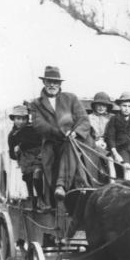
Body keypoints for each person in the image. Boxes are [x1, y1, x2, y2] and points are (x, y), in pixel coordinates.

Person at [27, 66, 95, 203]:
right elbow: (39, 125)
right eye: (49, 81)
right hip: (53, 143)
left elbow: (83, 119)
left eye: (55, 82)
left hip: (78, 140)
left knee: (73, 145)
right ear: (44, 82)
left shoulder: (70, 98)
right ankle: (65, 185)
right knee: (67, 146)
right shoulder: (36, 104)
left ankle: (63, 185)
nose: (52, 85)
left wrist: (75, 133)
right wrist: (62, 133)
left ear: (60, 84)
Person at [7, 105, 48, 211]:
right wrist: (17, 151)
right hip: (25, 158)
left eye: (24, 119)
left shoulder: (33, 129)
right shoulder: (12, 135)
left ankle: (41, 198)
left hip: (38, 155)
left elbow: (41, 141)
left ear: (27, 119)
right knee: (33, 172)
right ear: (14, 119)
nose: (21, 121)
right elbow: (11, 154)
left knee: (40, 170)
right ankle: (36, 199)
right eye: (18, 119)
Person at [104, 92, 130, 182]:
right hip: (122, 148)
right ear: (120, 106)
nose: (126, 109)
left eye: (129, 106)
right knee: (127, 170)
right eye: (124, 105)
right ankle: (128, 193)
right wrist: (115, 153)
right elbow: (110, 137)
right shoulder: (114, 119)